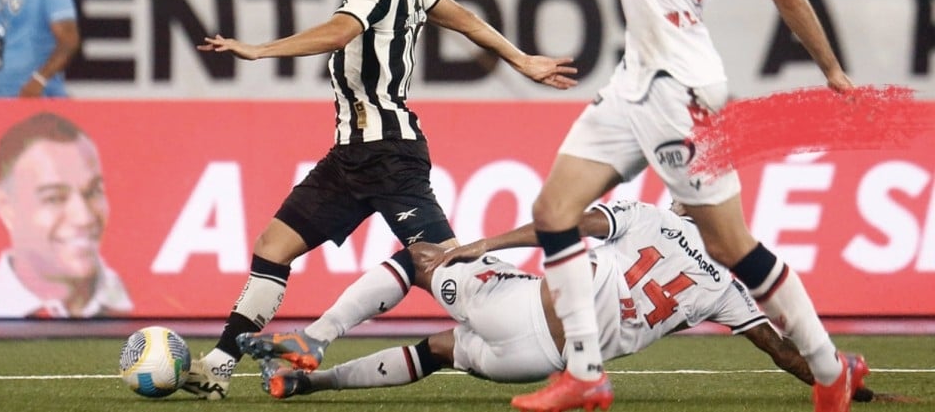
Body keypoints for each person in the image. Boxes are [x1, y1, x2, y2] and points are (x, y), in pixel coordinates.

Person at [478, 0, 855, 411]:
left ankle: (828, 365)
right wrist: (834, 70)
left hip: (673, 88)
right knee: (554, 210)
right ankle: (586, 372)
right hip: (642, 83)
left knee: (732, 246)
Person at [182, 0, 578, 400]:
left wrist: (259, 49)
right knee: (272, 246)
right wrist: (519, 58)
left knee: (447, 267)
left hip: (389, 156)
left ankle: (542, 320)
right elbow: (462, 18)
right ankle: (218, 365)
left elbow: (340, 31)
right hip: (350, 157)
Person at [241, 201, 873, 405]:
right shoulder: (729, 291)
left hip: (519, 312)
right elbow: (787, 354)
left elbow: (563, 226)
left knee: (420, 256)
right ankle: (308, 387)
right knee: (437, 351)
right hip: (538, 364)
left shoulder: (652, 217)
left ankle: (315, 339)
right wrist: (856, 389)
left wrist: (480, 246)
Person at [0, 112, 132, 317]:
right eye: (54, 198)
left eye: (93, 192)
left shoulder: (146, 302)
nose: (84, 217)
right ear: (6, 207)